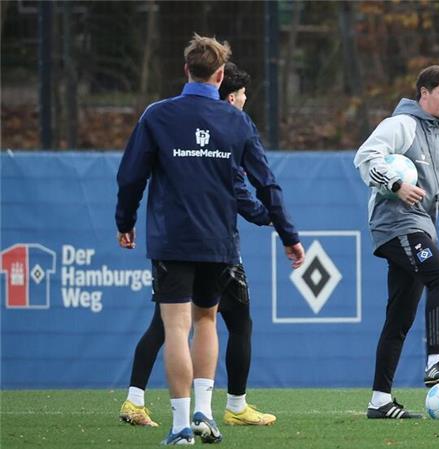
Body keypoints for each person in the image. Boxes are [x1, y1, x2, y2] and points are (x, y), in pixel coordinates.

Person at [116, 35, 304, 445]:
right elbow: (266, 184)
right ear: (220, 76)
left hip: (172, 240)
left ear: (187, 70)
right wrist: (288, 234)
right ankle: (206, 411)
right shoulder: (237, 120)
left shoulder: (158, 115)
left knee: (176, 326)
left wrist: (124, 220)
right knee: (206, 322)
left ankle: (182, 425)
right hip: (219, 243)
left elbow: (131, 176)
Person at [354, 65, 439, 419]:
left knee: (399, 318)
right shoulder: (401, 125)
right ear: (424, 93)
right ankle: (436, 360)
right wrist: (396, 184)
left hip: (421, 227)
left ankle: (379, 401)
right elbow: (365, 158)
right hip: (396, 224)